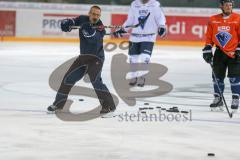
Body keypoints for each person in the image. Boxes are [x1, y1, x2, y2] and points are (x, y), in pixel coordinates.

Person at [47, 6, 116, 114]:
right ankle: (58, 104)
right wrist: (67, 23)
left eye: (98, 15)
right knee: (68, 79)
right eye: (93, 14)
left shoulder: (100, 27)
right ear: (89, 13)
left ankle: (108, 106)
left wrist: (89, 31)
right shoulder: (82, 19)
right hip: (83, 58)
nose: (95, 17)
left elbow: (93, 40)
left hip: (96, 59)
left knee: (95, 80)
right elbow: (73, 21)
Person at [113, 0, 167, 87]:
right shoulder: (134, 4)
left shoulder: (155, 5)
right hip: (134, 36)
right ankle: (134, 77)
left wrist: (162, 27)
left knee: (144, 57)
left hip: (149, 37)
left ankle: (142, 76)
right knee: (132, 59)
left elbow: (160, 18)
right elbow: (130, 20)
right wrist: (122, 30)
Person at [202, 0, 240, 113]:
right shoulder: (213, 19)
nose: (229, 7)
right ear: (221, 6)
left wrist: (239, 49)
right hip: (219, 53)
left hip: (234, 53)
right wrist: (207, 49)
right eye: (227, 5)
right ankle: (218, 98)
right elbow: (209, 37)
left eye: (231, 5)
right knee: (217, 77)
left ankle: (235, 98)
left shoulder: (238, 18)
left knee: (235, 77)